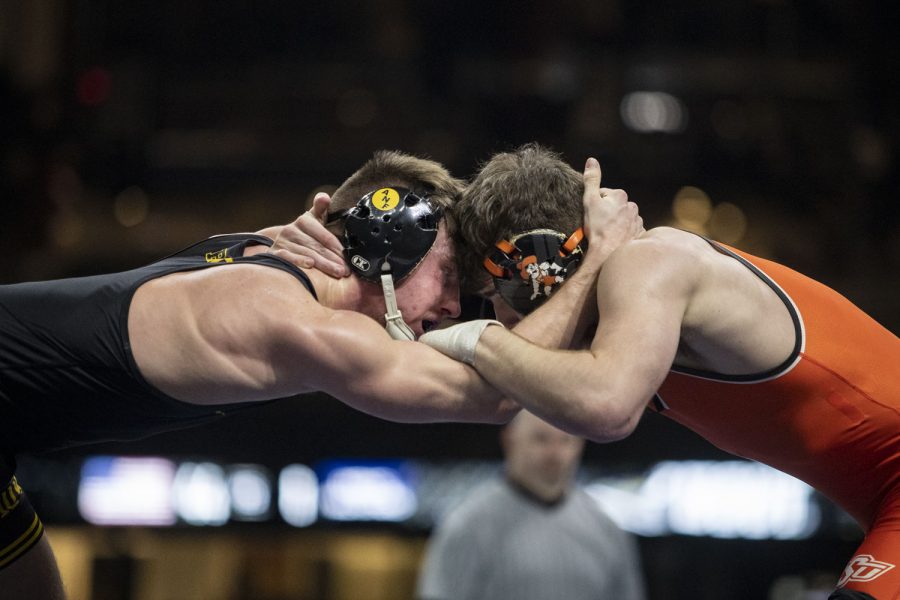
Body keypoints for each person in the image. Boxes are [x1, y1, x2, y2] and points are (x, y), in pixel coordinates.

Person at [0, 149, 642, 599]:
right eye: (448, 277)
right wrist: (597, 261)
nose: (452, 308)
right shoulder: (290, 320)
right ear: (384, 241)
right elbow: (499, 394)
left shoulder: (276, 255)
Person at [420, 144, 900, 600]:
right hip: (880, 501)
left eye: (492, 297)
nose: (497, 319)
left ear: (537, 267)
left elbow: (606, 409)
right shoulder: (616, 319)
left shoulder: (650, 263)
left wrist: (477, 339)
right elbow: (506, 397)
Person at [416, 410, 646, 600]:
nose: (555, 454)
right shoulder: (468, 525)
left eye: (565, 440)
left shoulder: (606, 528)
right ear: (510, 439)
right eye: (541, 439)